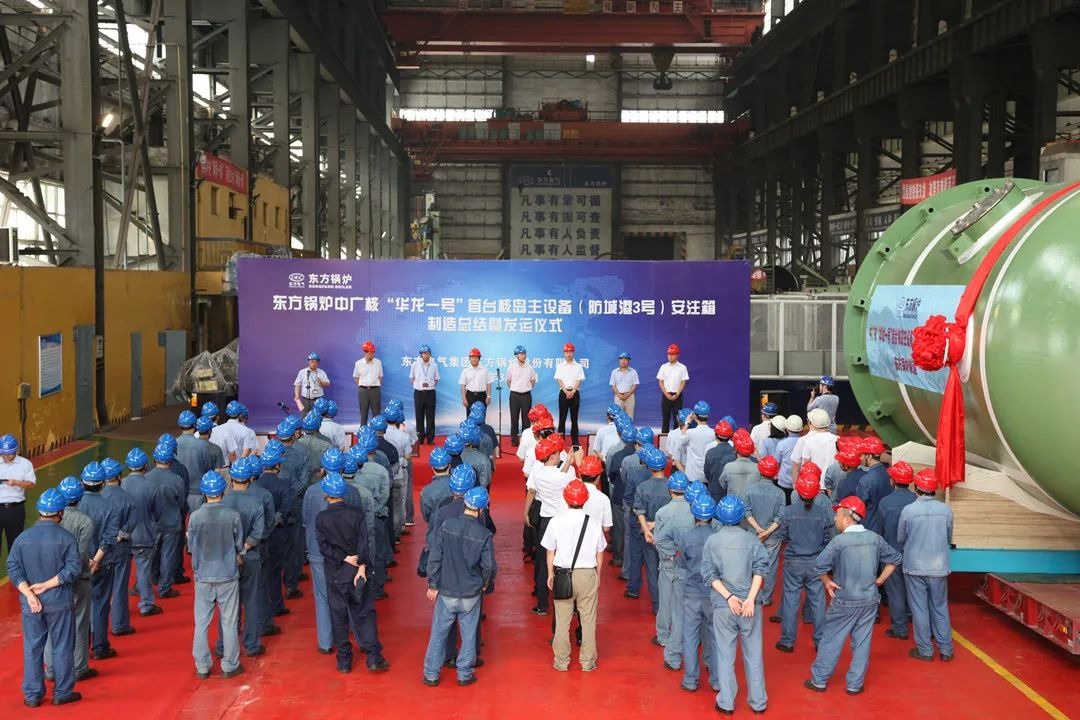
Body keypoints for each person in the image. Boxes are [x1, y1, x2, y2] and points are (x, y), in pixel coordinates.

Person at [805, 496, 901, 695]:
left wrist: (827, 581)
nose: (835, 518)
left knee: (831, 639)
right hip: (869, 599)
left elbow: (819, 566)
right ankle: (855, 684)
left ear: (848, 518)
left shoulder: (839, 542)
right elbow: (894, 559)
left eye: (838, 515)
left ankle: (819, 680)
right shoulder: (875, 538)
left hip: (845, 600)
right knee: (862, 642)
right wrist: (880, 580)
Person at [6, 487, 82, 707]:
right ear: (61, 512)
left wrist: (29, 593)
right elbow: (73, 570)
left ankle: (32, 695)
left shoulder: (22, 538)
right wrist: (47, 585)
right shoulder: (66, 538)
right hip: (59, 602)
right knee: (62, 646)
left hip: (31, 605)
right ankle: (62, 692)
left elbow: (13, 568)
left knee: (32, 648)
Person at [316, 473, 390, 673]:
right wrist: (362, 566)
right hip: (358, 572)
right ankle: (373, 657)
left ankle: (344, 661)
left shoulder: (322, 518)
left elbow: (323, 547)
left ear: (326, 494)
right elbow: (364, 543)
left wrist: (343, 557)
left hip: (336, 574)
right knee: (365, 613)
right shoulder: (356, 515)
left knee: (338, 616)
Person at [701, 496, 768, 715]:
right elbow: (760, 570)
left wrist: (729, 597)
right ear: (742, 517)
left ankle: (726, 702)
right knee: (754, 654)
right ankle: (758, 702)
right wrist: (749, 599)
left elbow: (709, 575)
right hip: (750, 606)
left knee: (725, 654)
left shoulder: (712, 541)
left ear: (719, 516)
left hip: (724, 606)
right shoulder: (752, 541)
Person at [423, 485, 496, 686]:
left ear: (465, 503)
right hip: (471, 593)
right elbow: (489, 566)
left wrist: (433, 584)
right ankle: (464, 674)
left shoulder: (447, 526)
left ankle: (431, 674)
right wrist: (484, 583)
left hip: (447, 590)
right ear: (481, 509)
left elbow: (435, 556)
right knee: (469, 635)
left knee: (438, 634)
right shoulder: (484, 535)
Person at [543, 479, 606, 672]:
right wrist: (598, 575)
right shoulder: (594, 523)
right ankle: (587, 662)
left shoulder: (555, 522)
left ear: (565, 499)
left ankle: (561, 661)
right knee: (588, 620)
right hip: (587, 574)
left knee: (562, 620)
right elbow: (600, 551)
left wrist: (550, 574)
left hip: (563, 574)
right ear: (585, 500)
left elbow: (550, 551)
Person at [187, 471, 244, 679]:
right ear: (223, 491)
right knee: (229, 621)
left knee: (201, 623)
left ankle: (202, 665)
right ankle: (230, 664)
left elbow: (191, 547)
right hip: (227, 574)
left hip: (203, 575)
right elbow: (239, 545)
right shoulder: (232, 516)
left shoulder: (195, 517)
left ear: (204, 492)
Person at [898, 469, 955, 662]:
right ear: (934, 489)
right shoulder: (946, 510)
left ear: (916, 487)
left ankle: (925, 650)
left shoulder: (908, 511)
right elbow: (948, 537)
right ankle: (946, 649)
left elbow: (901, 538)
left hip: (914, 566)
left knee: (919, 608)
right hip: (939, 566)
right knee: (940, 606)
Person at [774, 469, 833, 653]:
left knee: (791, 601)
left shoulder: (788, 511)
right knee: (818, 602)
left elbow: (783, 535)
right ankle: (820, 641)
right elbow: (827, 538)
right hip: (816, 562)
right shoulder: (823, 512)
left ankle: (787, 641)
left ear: (798, 491)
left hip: (794, 562)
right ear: (816, 493)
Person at [43, 477, 95, 682]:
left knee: (52, 623)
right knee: (80, 622)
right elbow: (80, 555)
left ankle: (51, 669)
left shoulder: (48, 521)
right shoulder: (84, 521)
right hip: (78, 578)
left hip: (51, 580)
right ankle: (79, 667)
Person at [219, 458, 267, 658]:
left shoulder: (222, 502)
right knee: (251, 601)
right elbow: (258, 533)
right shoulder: (256, 502)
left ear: (231, 479)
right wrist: (243, 550)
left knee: (227, 604)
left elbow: (219, 535)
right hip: (251, 557)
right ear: (251, 479)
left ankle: (223, 645)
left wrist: (234, 553)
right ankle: (252, 644)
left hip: (227, 560)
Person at [525, 436, 577, 616]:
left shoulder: (538, 472)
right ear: (552, 456)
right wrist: (570, 461)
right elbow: (565, 478)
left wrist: (567, 463)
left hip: (545, 522)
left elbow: (536, 488)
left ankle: (542, 604)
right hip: (562, 521)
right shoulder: (561, 477)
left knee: (542, 562)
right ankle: (568, 601)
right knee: (566, 560)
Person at [75, 464, 119, 665]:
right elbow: (109, 538)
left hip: (78, 564)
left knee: (79, 608)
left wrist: (85, 561)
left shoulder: (73, 506)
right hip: (103, 563)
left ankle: (80, 649)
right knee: (100, 604)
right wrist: (96, 561)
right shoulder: (110, 506)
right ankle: (100, 647)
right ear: (102, 484)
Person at [676, 493, 720, 693]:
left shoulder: (686, 537)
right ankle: (717, 680)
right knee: (715, 637)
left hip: (692, 592)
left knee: (691, 636)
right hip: (713, 593)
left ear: (694, 514)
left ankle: (691, 679)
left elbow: (682, 564)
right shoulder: (718, 538)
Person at [653, 471, 694, 670]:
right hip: (688, 564)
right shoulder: (693, 511)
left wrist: (670, 554)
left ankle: (663, 636)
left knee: (666, 601)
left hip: (668, 562)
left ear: (670, 490)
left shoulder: (663, 513)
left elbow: (659, 539)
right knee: (683, 606)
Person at [121, 448, 164, 618]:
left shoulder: (121, 484)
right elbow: (158, 513)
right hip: (144, 536)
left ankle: (119, 608)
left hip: (123, 537)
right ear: (145, 466)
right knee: (144, 570)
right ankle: (146, 605)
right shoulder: (151, 486)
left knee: (120, 575)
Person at [878, 461, 917, 641]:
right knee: (914, 589)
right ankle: (913, 617)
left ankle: (900, 628)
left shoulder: (885, 502)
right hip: (914, 554)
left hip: (892, 552)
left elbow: (880, 530)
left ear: (892, 480)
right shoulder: (917, 501)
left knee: (895, 591)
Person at [100, 458, 137, 639]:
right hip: (120, 548)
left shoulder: (96, 498)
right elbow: (131, 525)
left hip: (99, 550)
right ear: (120, 476)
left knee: (98, 589)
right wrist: (118, 536)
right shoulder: (127, 498)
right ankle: (119, 624)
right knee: (119, 586)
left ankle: (96, 625)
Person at [744, 457, 787, 607]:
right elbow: (780, 517)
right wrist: (767, 532)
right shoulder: (780, 493)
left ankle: (750, 595)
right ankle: (766, 598)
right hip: (772, 536)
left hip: (753, 534)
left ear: (760, 471)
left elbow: (747, 511)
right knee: (771, 567)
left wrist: (758, 529)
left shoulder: (750, 489)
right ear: (775, 473)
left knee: (751, 565)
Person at [634, 447, 673, 616]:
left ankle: (657, 606)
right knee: (669, 570)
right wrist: (656, 524)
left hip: (649, 536)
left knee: (651, 570)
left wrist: (646, 529)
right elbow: (674, 510)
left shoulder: (643, 487)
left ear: (649, 467)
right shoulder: (671, 486)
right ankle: (669, 604)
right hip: (668, 535)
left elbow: (639, 510)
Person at [147, 442, 185, 600]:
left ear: (154, 459)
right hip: (171, 523)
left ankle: (150, 581)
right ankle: (164, 588)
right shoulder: (177, 480)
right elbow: (181, 502)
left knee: (151, 555)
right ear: (170, 460)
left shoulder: (147, 478)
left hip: (153, 524)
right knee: (168, 556)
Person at [384, 402, 419, 532]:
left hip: (385, 465)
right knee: (403, 495)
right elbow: (411, 449)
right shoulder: (407, 429)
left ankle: (388, 525)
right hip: (402, 465)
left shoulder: (382, 431)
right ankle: (404, 523)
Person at [0, 433, 36, 556]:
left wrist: (16, 483)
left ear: (16, 451)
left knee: (15, 545)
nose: (5, 457)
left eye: (9, 454)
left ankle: (14, 568)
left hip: (15, 510)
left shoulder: (25, 464)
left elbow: (31, 484)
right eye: (3, 454)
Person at [790, 408, 839, 485]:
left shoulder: (808, 441)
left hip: (814, 485)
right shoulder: (837, 439)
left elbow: (806, 465)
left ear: (811, 423)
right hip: (832, 484)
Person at [176, 410, 213, 507]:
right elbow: (208, 469)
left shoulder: (174, 444)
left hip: (178, 492)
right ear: (195, 425)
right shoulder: (203, 445)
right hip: (197, 493)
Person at [506, 344, 538, 446]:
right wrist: (516, 388)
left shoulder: (529, 367)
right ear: (517, 355)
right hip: (514, 396)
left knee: (526, 420)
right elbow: (508, 380)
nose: (524, 356)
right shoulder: (511, 367)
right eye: (522, 354)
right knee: (514, 419)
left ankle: (525, 441)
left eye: (525, 354)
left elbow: (533, 380)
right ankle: (514, 440)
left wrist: (526, 388)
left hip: (526, 396)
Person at [554, 342, 585, 445]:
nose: (568, 354)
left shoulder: (578, 366)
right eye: (566, 352)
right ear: (564, 353)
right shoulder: (560, 366)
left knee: (574, 419)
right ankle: (560, 441)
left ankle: (575, 442)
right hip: (563, 393)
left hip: (575, 393)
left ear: (573, 352)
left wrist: (573, 391)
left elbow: (579, 380)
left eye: (570, 351)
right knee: (562, 418)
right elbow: (559, 379)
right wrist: (566, 391)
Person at [716, 429, 759, 502]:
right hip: (751, 505)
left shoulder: (728, 465)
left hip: (733, 504)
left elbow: (723, 484)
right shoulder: (757, 467)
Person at [410, 344, 440, 445]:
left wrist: (429, 386)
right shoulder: (415, 364)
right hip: (418, 393)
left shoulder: (434, 365)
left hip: (430, 393)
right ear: (421, 354)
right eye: (424, 353)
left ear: (430, 354)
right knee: (419, 415)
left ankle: (430, 438)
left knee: (430, 416)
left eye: (427, 353)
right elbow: (411, 378)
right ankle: (420, 437)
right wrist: (418, 386)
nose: (426, 355)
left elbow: (436, 379)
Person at [656, 344, 689, 433]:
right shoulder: (663, 367)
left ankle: (676, 436)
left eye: (672, 354)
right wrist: (666, 394)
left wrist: (677, 394)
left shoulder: (682, 367)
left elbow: (683, 382)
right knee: (665, 418)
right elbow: (660, 382)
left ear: (677, 355)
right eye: (669, 354)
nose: (670, 356)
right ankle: (664, 436)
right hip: (666, 395)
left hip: (677, 396)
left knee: (677, 418)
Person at [683, 401, 716, 484]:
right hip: (708, 477)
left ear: (694, 416)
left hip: (692, 476)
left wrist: (687, 423)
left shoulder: (690, 432)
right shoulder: (714, 433)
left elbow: (680, 438)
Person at [703, 420, 735, 501]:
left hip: (714, 490)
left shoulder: (710, 452)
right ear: (730, 436)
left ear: (716, 435)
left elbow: (707, 473)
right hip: (731, 492)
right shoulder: (736, 452)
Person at [353, 340, 383, 425]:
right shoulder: (358, 363)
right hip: (363, 391)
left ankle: (377, 432)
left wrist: (373, 385)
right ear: (365, 352)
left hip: (375, 390)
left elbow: (380, 377)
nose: (373, 354)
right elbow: (356, 378)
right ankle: (363, 431)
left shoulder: (378, 362)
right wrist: (364, 386)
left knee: (376, 414)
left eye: (373, 352)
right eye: (371, 353)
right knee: (363, 414)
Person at [775, 415, 803, 503]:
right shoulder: (805, 442)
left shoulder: (781, 444)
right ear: (801, 429)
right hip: (801, 485)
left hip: (784, 484)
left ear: (787, 429)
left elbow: (776, 463)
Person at [459, 347, 492, 411]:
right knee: (470, 415)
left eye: (476, 358)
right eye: (472, 357)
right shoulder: (465, 371)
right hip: (470, 396)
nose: (474, 360)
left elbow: (489, 383)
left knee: (481, 415)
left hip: (482, 396)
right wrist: (464, 399)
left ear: (479, 359)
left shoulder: (485, 370)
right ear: (469, 359)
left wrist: (488, 396)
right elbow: (463, 386)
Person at [609, 352, 640, 419]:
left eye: (626, 359)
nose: (623, 361)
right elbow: (613, 386)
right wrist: (619, 395)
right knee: (617, 416)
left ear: (629, 361)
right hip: (618, 396)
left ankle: (629, 426)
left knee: (629, 417)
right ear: (619, 360)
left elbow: (635, 385)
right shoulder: (614, 372)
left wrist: (628, 394)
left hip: (629, 396)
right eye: (621, 359)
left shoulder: (633, 371)